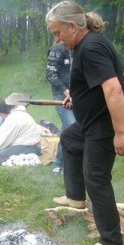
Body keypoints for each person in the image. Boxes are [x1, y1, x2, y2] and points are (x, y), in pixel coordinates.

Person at [45, 1, 124, 245]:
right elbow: (94, 84)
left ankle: (111, 242)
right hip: (91, 121)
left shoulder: (91, 47)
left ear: (72, 27)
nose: (57, 39)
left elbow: (113, 89)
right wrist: (78, 95)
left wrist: (120, 133)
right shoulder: (86, 43)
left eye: (58, 32)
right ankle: (75, 197)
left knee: (96, 178)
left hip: (105, 124)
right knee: (70, 139)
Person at [45, 41, 76, 175]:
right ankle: (69, 164)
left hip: (78, 94)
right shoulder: (57, 49)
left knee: (66, 129)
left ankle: (59, 163)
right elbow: (50, 74)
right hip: (61, 96)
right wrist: (66, 92)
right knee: (72, 127)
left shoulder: (79, 46)